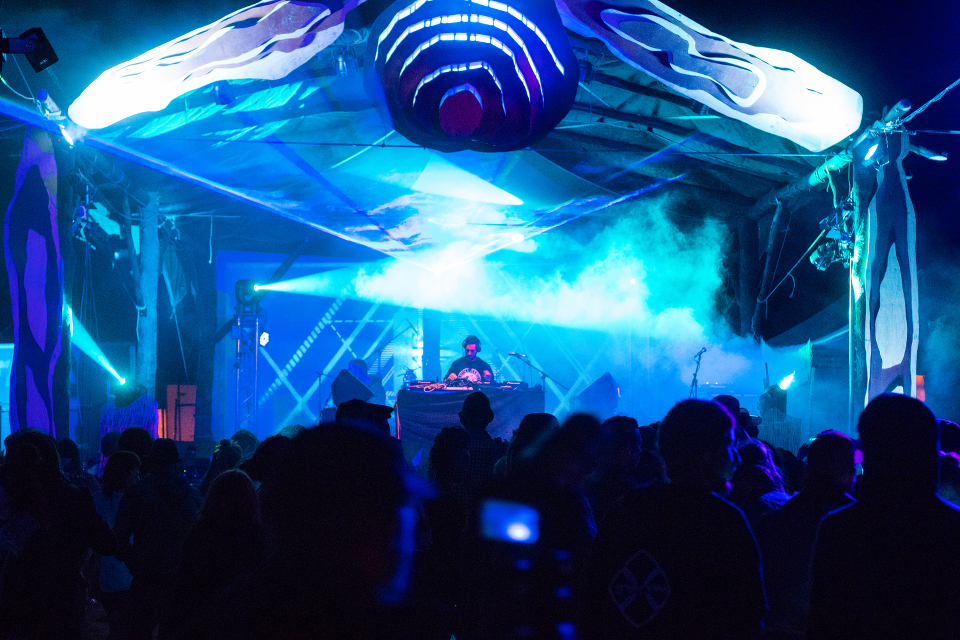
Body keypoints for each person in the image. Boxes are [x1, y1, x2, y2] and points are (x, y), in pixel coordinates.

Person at [579, 399, 766, 639]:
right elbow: (749, 617)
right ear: (706, 454)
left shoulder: (626, 509)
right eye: (730, 445)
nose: (737, 458)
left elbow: (590, 600)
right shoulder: (724, 521)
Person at [809, 394, 960, 639]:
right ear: (929, 452)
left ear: (869, 454)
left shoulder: (840, 529)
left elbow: (822, 622)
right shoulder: (952, 527)